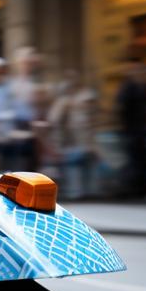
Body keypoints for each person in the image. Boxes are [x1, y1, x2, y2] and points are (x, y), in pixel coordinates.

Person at [48, 70, 100, 200]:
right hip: (71, 138)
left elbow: (93, 116)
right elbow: (54, 119)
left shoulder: (85, 96)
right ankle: (76, 192)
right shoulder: (64, 101)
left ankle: (91, 191)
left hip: (86, 136)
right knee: (74, 165)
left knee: (88, 163)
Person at [115, 57, 146, 199]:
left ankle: (142, 190)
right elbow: (121, 108)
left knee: (142, 160)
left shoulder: (145, 86)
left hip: (143, 129)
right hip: (131, 130)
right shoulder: (127, 87)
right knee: (134, 161)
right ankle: (133, 191)